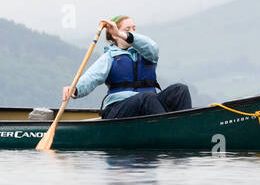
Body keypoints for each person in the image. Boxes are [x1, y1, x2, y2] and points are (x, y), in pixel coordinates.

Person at [65, 15, 193, 119]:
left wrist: (124, 34)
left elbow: (152, 47)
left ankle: (186, 129)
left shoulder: (148, 53)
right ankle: (168, 131)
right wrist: (75, 89)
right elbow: (91, 77)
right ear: (114, 35)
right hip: (118, 109)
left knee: (180, 89)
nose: (132, 32)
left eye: (134, 28)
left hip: (149, 104)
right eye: (127, 29)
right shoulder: (109, 57)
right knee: (147, 97)